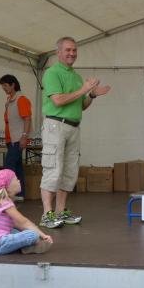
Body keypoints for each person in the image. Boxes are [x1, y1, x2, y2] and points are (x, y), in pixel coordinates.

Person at [39, 36, 110, 229]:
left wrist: (92, 95)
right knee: (53, 169)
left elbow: (82, 106)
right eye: (68, 50)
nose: (72, 53)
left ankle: (60, 212)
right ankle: (46, 214)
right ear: (58, 52)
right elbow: (58, 101)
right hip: (55, 125)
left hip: (73, 127)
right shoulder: (52, 73)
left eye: (74, 50)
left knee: (69, 172)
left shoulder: (77, 77)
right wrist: (84, 89)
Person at [0, 169, 52, 255]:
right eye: (16, 179)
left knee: (16, 231)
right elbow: (24, 222)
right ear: (7, 186)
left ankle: (26, 247)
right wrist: (43, 235)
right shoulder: (4, 202)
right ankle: (26, 247)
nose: (19, 180)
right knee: (32, 234)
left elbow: (17, 225)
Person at [0, 74, 32, 202]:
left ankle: (9, 194)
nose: (4, 88)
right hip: (11, 138)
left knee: (9, 165)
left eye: (5, 85)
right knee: (17, 166)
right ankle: (20, 194)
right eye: (2, 86)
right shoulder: (10, 100)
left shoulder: (21, 99)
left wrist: (24, 136)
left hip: (17, 138)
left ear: (13, 84)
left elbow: (27, 118)